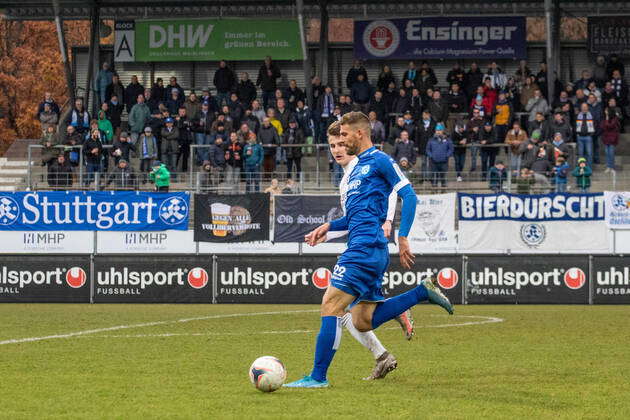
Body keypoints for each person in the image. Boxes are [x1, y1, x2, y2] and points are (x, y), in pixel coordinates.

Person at [284, 112, 452, 389]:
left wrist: (403, 236)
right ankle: (422, 292)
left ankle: (317, 377)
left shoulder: (381, 160)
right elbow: (355, 217)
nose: (341, 141)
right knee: (362, 320)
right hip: (365, 246)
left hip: (366, 248)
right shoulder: (354, 173)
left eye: (345, 136)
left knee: (331, 305)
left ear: (359, 134)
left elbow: (408, 195)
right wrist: (328, 226)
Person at [426, 123, 453, 189]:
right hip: (433, 162)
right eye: (437, 130)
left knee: (443, 177)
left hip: (444, 162)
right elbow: (428, 149)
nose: (438, 132)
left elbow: (451, 149)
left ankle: (443, 190)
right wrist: (431, 156)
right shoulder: (431, 140)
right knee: (434, 177)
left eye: (440, 130)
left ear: (442, 131)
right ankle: (434, 190)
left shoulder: (447, 140)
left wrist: (447, 155)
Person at [601, 107, 621, 173]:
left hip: (612, 138)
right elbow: (603, 126)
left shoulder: (615, 119)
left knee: (611, 153)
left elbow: (610, 126)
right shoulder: (605, 118)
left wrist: (606, 120)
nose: (605, 111)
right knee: (607, 153)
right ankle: (608, 167)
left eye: (606, 110)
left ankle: (612, 167)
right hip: (606, 138)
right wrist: (606, 120)